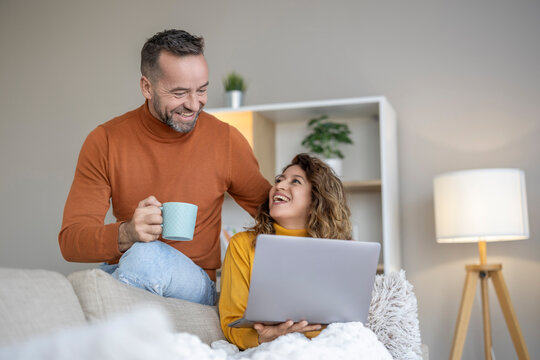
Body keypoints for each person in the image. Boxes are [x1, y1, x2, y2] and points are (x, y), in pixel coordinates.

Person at [59, 29, 270, 306]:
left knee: (144, 258)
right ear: (147, 87)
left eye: (202, 90)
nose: (194, 105)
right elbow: (71, 241)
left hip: (194, 283)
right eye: (180, 93)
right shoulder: (105, 140)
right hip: (127, 272)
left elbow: (276, 215)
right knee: (81, 286)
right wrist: (127, 233)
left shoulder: (226, 140)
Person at [219, 153, 352, 349]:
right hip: (269, 349)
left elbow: (344, 322)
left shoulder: (338, 250)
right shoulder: (243, 245)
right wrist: (266, 337)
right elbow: (231, 322)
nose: (279, 186)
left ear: (316, 198)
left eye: (295, 181)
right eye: (279, 180)